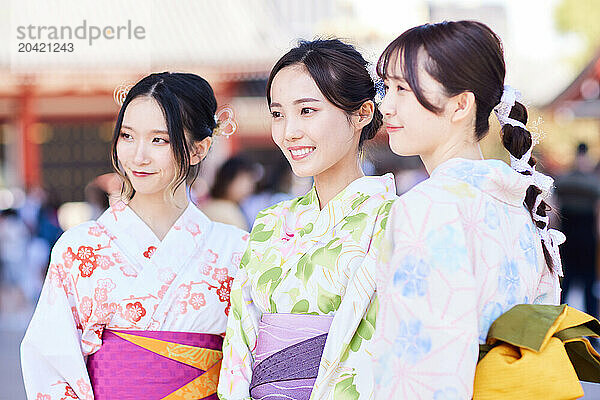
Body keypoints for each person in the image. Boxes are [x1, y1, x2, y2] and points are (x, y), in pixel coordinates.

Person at [21, 72, 248, 400]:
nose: (138, 156)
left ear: (200, 149)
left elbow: (249, 363)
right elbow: (51, 365)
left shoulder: (236, 249)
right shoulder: (79, 248)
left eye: (159, 140)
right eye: (127, 136)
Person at [372, 21, 563, 398]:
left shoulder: (428, 206)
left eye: (402, 89)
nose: (385, 105)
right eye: (386, 87)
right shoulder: (517, 202)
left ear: (461, 105)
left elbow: (423, 365)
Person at [218, 39, 397, 400]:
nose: (289, 132)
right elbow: (239, 334)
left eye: (307, 111)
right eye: (278, 114)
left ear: (362, 114)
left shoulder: (393, 217)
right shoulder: (270, 221)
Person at [556, 142, 600, 318]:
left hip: (567, 238)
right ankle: (592, 328)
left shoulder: (563, 180)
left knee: (566, 282)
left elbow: (554, 211)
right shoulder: (594, 183)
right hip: (586, 239)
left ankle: (558, 324)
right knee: (588, 284)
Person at [202, 156, 257, 231]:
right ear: (228, 180)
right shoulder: (225, 211)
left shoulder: (211, 206)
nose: (249, 187)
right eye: (243, 180)